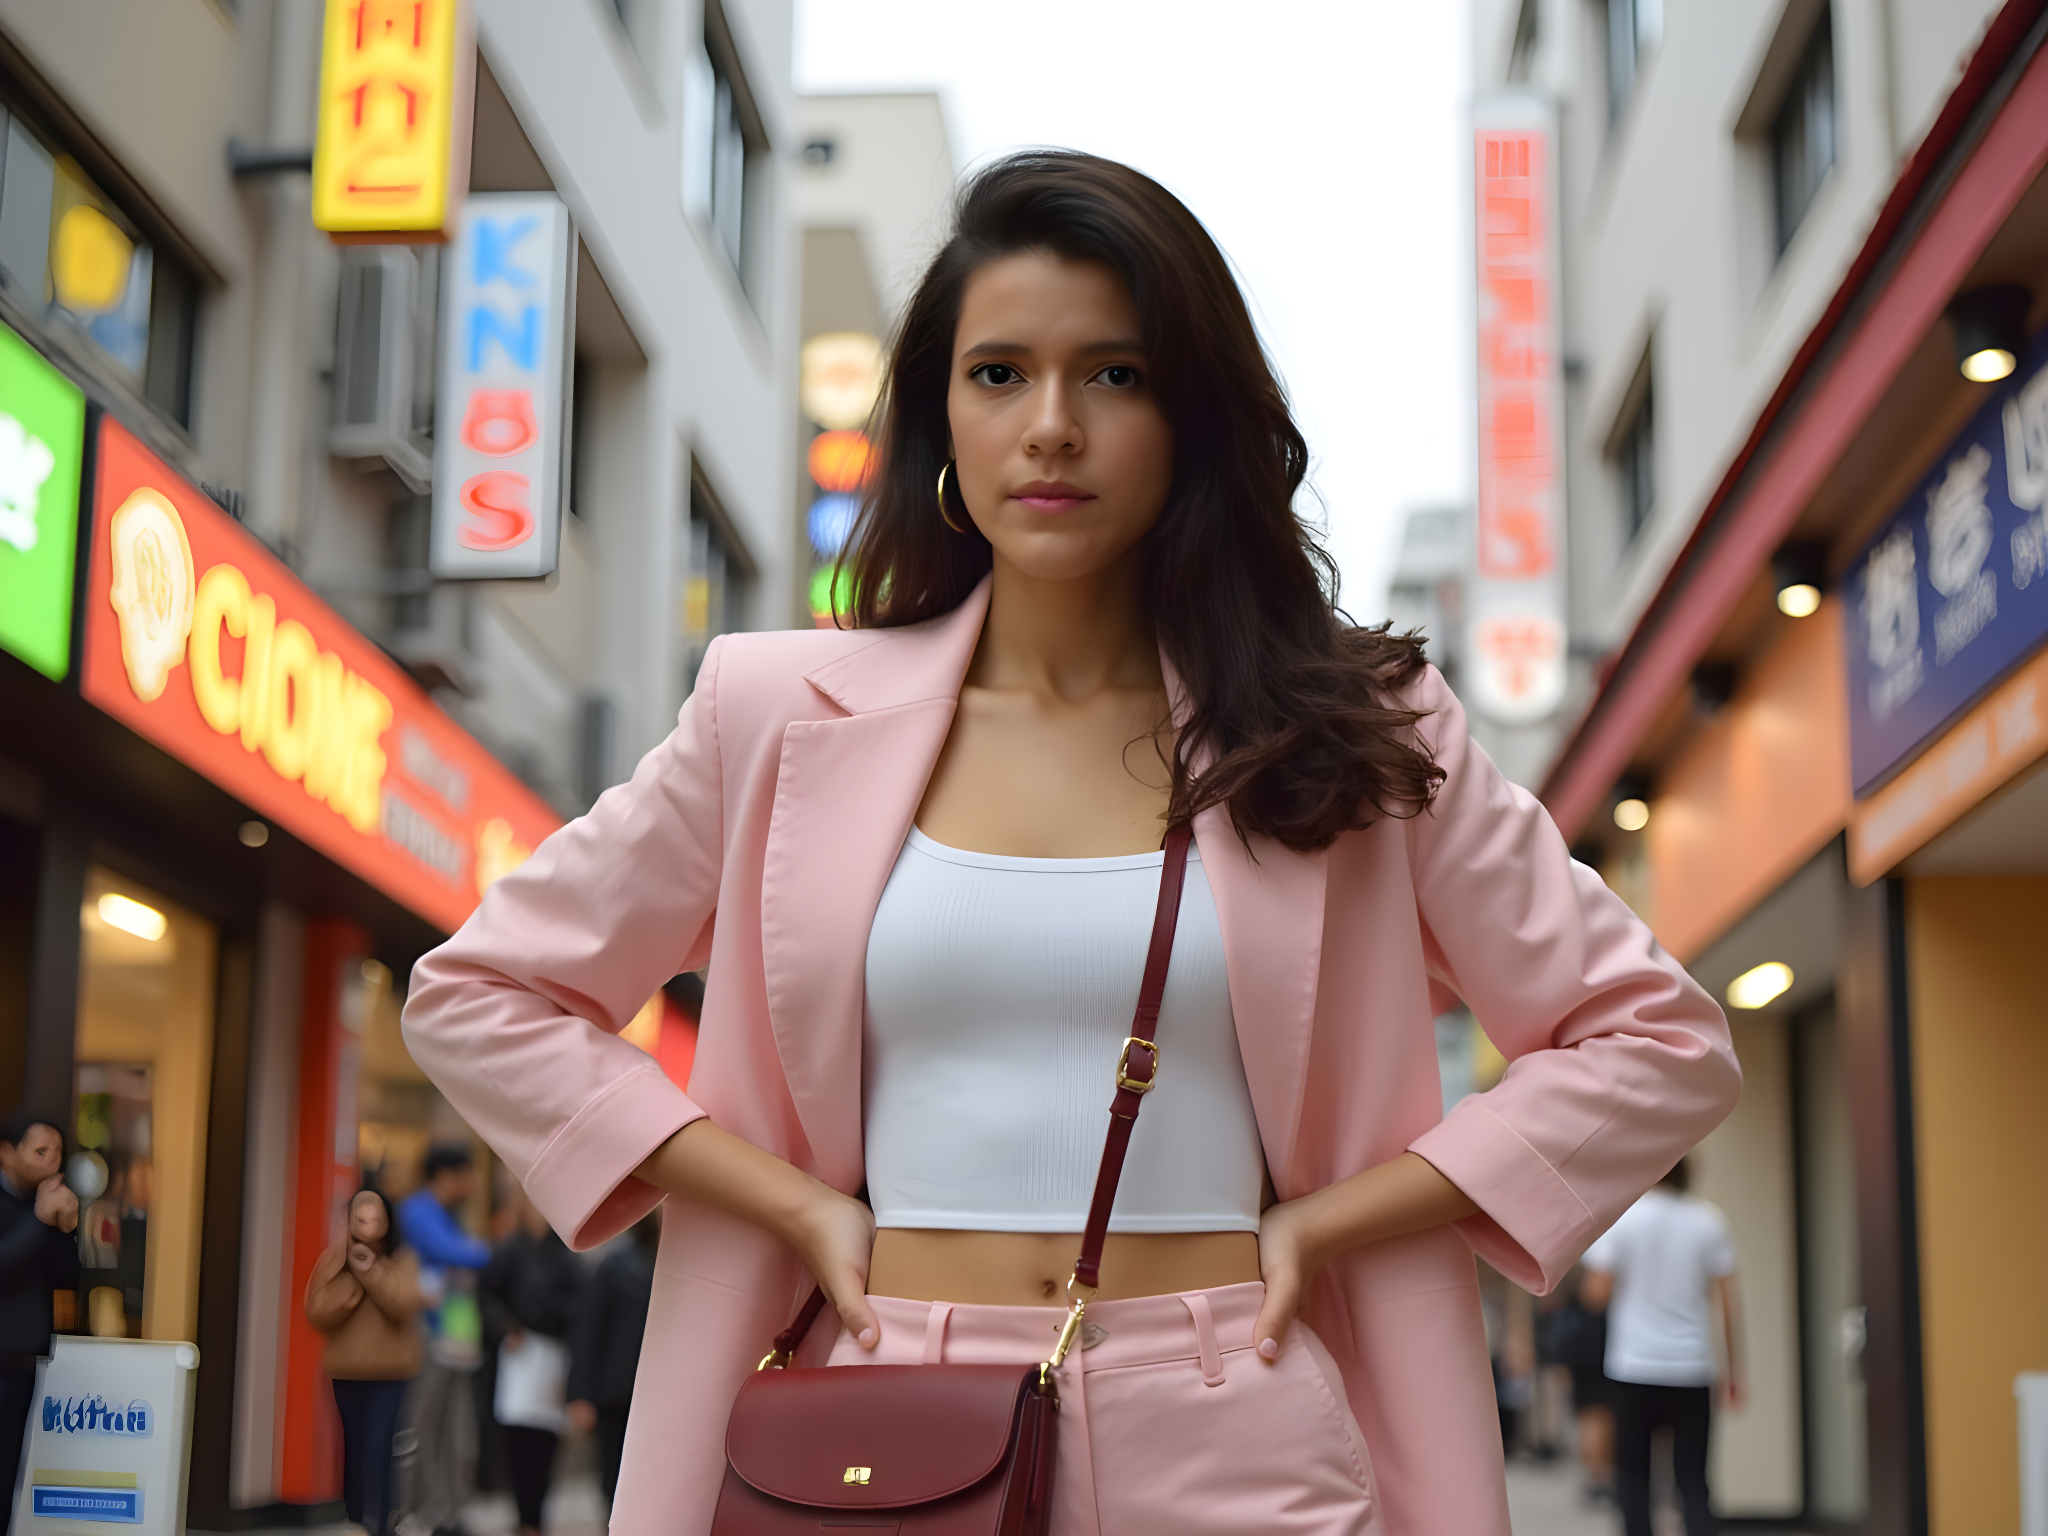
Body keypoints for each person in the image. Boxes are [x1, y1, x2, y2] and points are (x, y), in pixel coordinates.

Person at [402, 150, 1741, 1534]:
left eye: (1114, 374)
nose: (1051, 425)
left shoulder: (1349, 727)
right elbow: (484, 994)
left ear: (1192, 418)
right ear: (940, 422)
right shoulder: (775, 715)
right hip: (884, 1414)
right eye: (999, 374)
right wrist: (788, 1206)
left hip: (1238, 1413)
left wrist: (1338, 1223)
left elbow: (1656, 1042)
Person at [1581, 1158, 1744, 1536]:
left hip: (1633, 1369)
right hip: (1691, 1368)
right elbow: (1728, 1307)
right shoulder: (1709, 1220)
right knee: (1693, 1481)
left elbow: (1596, 1295)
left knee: (1635, 1479)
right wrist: (1733, 1372)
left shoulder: (1623, 1220)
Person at [304, 1188, 423, 1536]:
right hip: (345, 1372)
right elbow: (316, 1311)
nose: (369, 1225)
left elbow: (404, 1306)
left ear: (388, 1221)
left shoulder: (404, 1259)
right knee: (353, 1449)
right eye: (361, 1218)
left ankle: (382, 1523)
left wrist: (370, 1272)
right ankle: (357, 1520)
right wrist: (353, 1275)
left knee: (379, 1448)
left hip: (391, 1373)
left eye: (376, 1218)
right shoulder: (334, 1258)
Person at [396, 1144, 490, 1536]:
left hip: (455, 1339)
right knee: (423, 1427)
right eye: (466, 1174)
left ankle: (448, 1512)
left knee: (457, 1432)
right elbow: (454, 1253)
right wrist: (480, 1250)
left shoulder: (450, 1215)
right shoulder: (418, 1210)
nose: (470, 1184)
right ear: (446, 1175)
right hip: (428, 1337)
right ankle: (415, 1512)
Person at [480, 1189, 581, 1536]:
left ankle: (535, 1520)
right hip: (516, 1359)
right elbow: (488, 1296)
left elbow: (579, 1310)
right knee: (514, 1442)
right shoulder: (510, 1253)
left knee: (543, 1444)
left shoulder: (566, 1257)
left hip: (553, 1359)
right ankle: (524, 1518)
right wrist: (506, 1327)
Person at [0, 1109, 78, 1535]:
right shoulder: (30, 1210)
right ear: (7, 1153)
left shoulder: (45, 1206)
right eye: (40, 1151)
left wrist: (65, 1228)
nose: (51, 1161)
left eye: (58, 1152)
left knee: (8, 1472)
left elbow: (66, 1279)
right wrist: (40, 1219)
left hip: (22, 1362)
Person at [567, 1210, 658, 1504]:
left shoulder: (678, 1265)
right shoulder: (614, 1266)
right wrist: (581, 1393)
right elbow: (590, 1330)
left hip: (656, 1394)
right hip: (615, 1393)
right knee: (612, 1477)